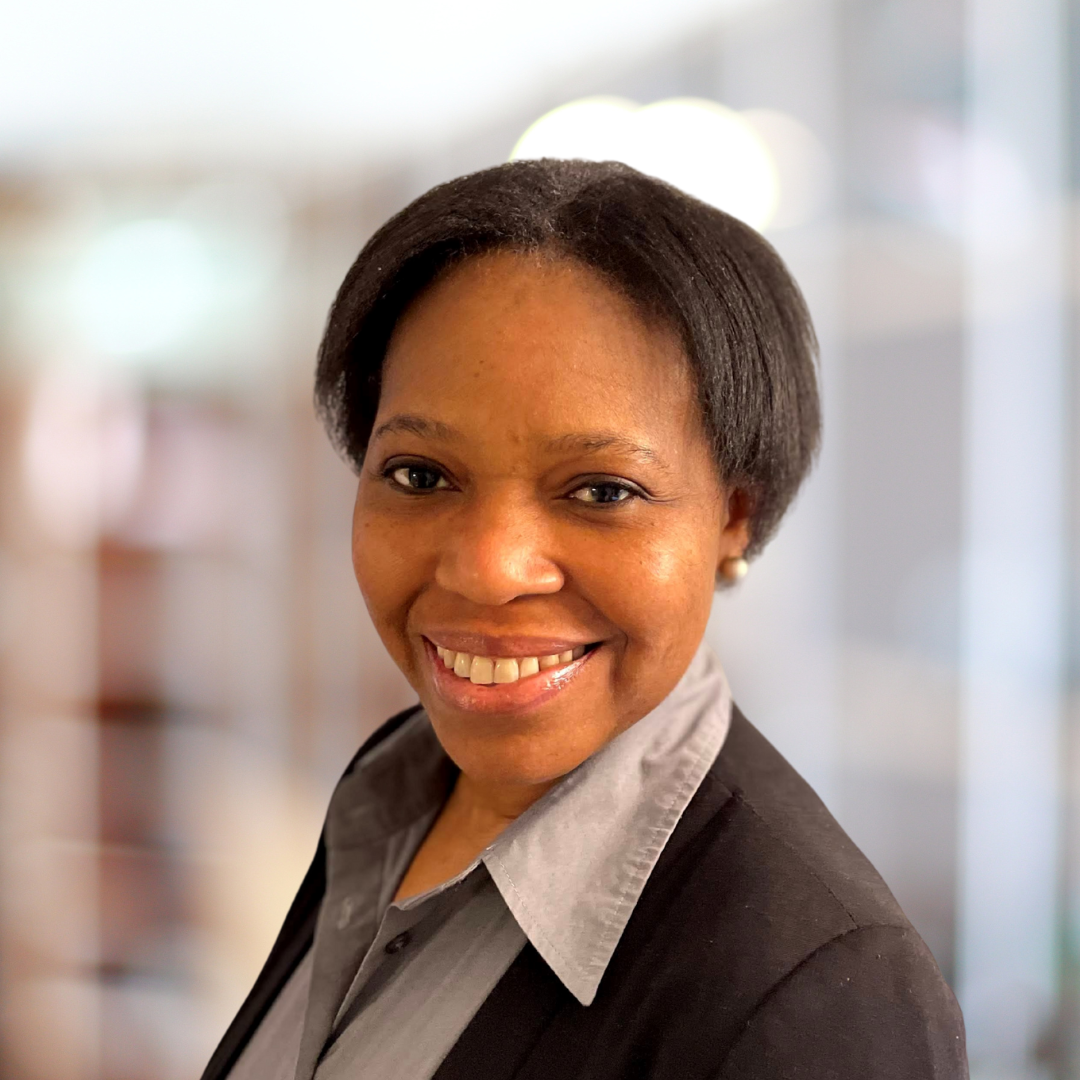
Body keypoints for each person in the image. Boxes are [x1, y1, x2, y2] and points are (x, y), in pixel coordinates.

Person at [201, 159, 967, 1080]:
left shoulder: (818, 997)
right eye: (419, 475)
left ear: (735, 518)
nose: (489, 570)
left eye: (602, 491)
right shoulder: (394, 792)